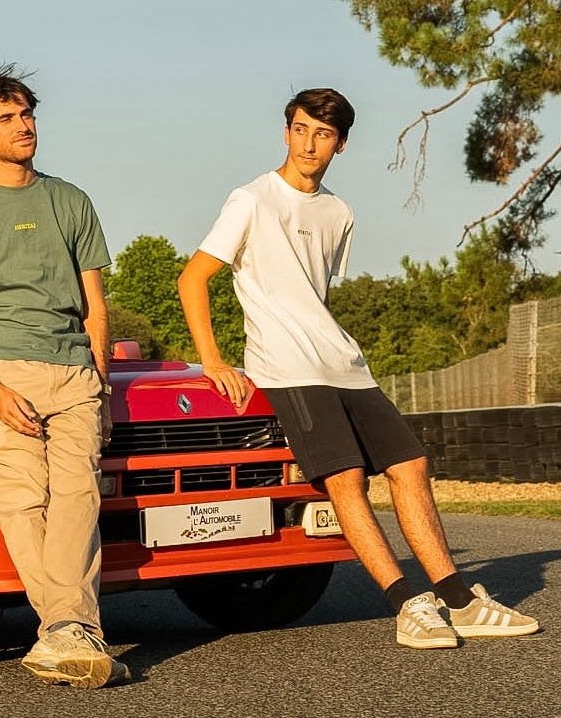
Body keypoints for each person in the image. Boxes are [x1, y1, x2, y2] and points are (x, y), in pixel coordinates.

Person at [177, 87, 540, 649]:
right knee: (346, 480)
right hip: (288, 368)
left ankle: (461, 602)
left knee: (411, 464)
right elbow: (193, 278)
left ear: (340, 144)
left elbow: (312, 294)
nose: (308, 144)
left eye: (322, 134)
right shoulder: (251, 199)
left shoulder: (339, 212)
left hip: (345, 363)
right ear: (285, 132)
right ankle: (408, 606)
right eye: (300, 130)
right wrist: (213, 360)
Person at [0, 65, 128, 688]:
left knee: (78, 497)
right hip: (2, 371)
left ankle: (63, 632)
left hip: (74, 372)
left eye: (27, 115)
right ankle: (72, 629)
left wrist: (102, 385)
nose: (23, 126)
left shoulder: (70, 201)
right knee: (22, 504)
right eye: (7, 118)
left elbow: (95, 308)